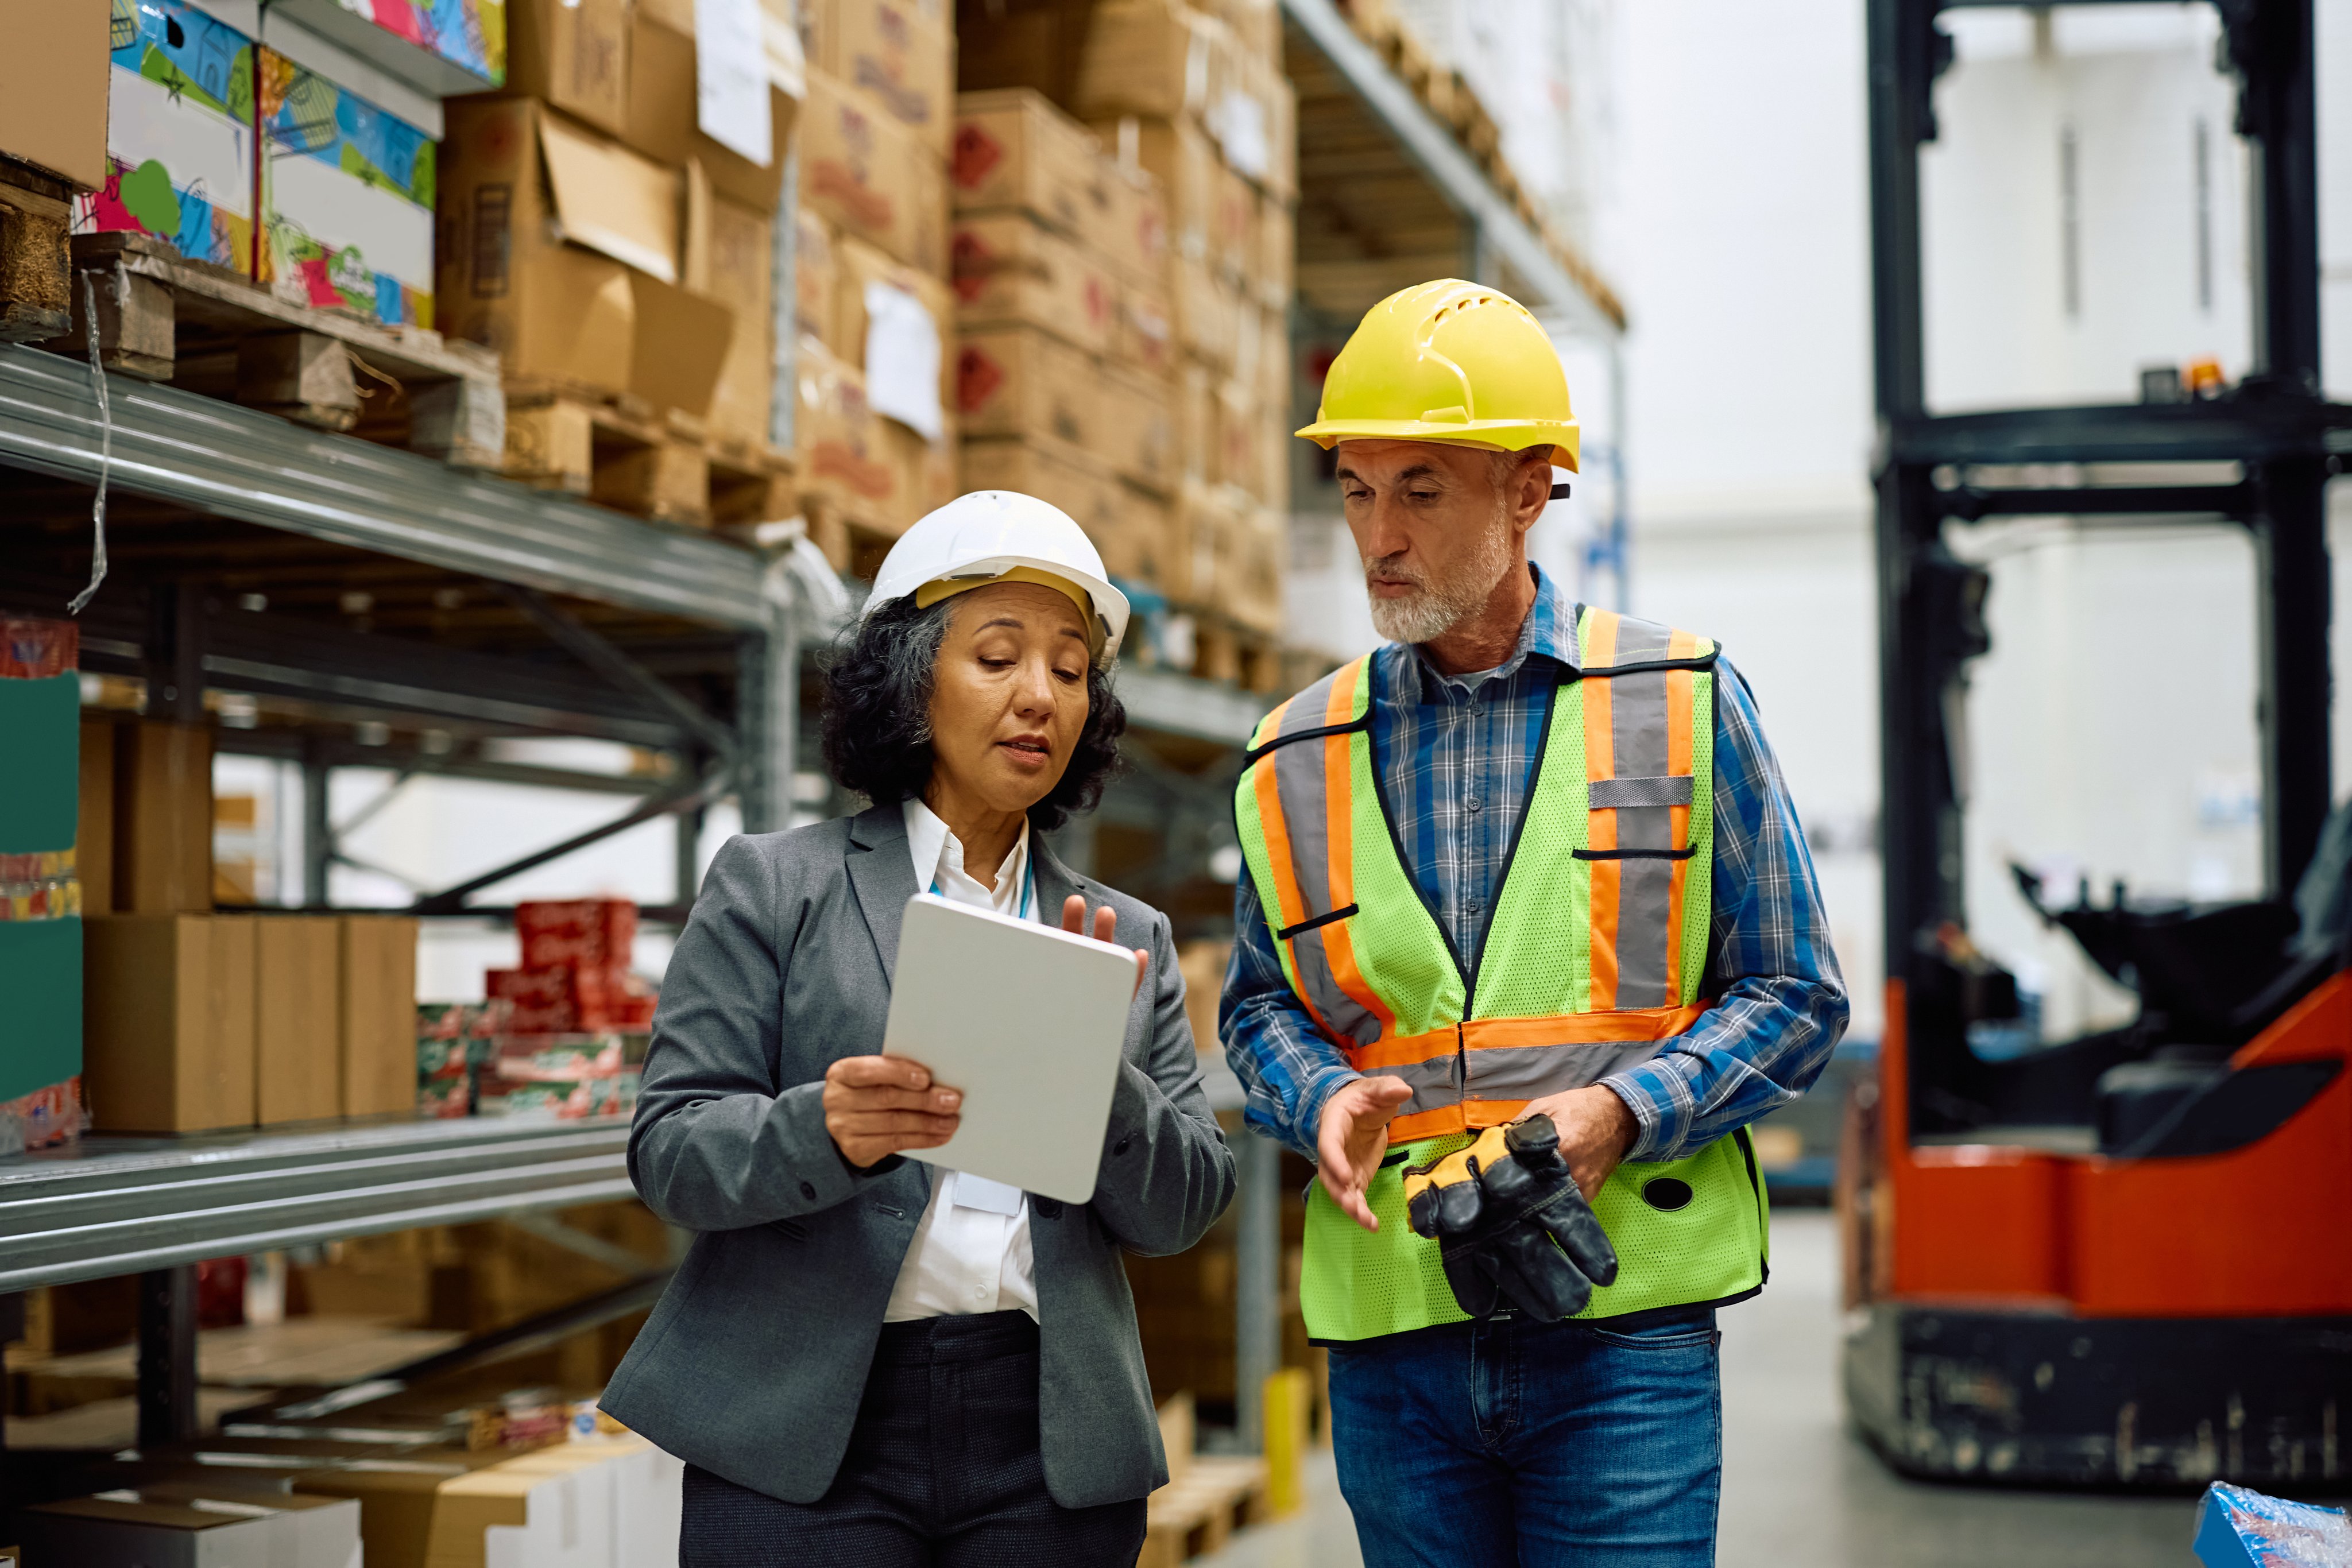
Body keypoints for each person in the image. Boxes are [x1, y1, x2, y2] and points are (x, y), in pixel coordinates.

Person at [1221, 280, 1849, 1567]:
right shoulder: (1291, 751)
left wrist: (1620, 1113)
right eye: (1353, 488)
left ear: (1525, 492)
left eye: (1420, 490)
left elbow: (1793, 995)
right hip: (1395, 1322)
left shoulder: (1678, 697)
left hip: (1621, 1322)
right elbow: (1259, 1003)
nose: (1376, 535)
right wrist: (1314, 1097)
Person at [605, 491, 1237, 1566]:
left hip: (1045, 1447)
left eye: (1071, 670)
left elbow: (1183, 1208)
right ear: (911, 681)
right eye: (997, 657)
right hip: (806, 1432)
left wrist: (1101, 1074)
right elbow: (672, 1152)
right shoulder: (774, 888)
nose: (1040, 694)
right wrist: (828, 1130)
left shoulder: (1125, 938)